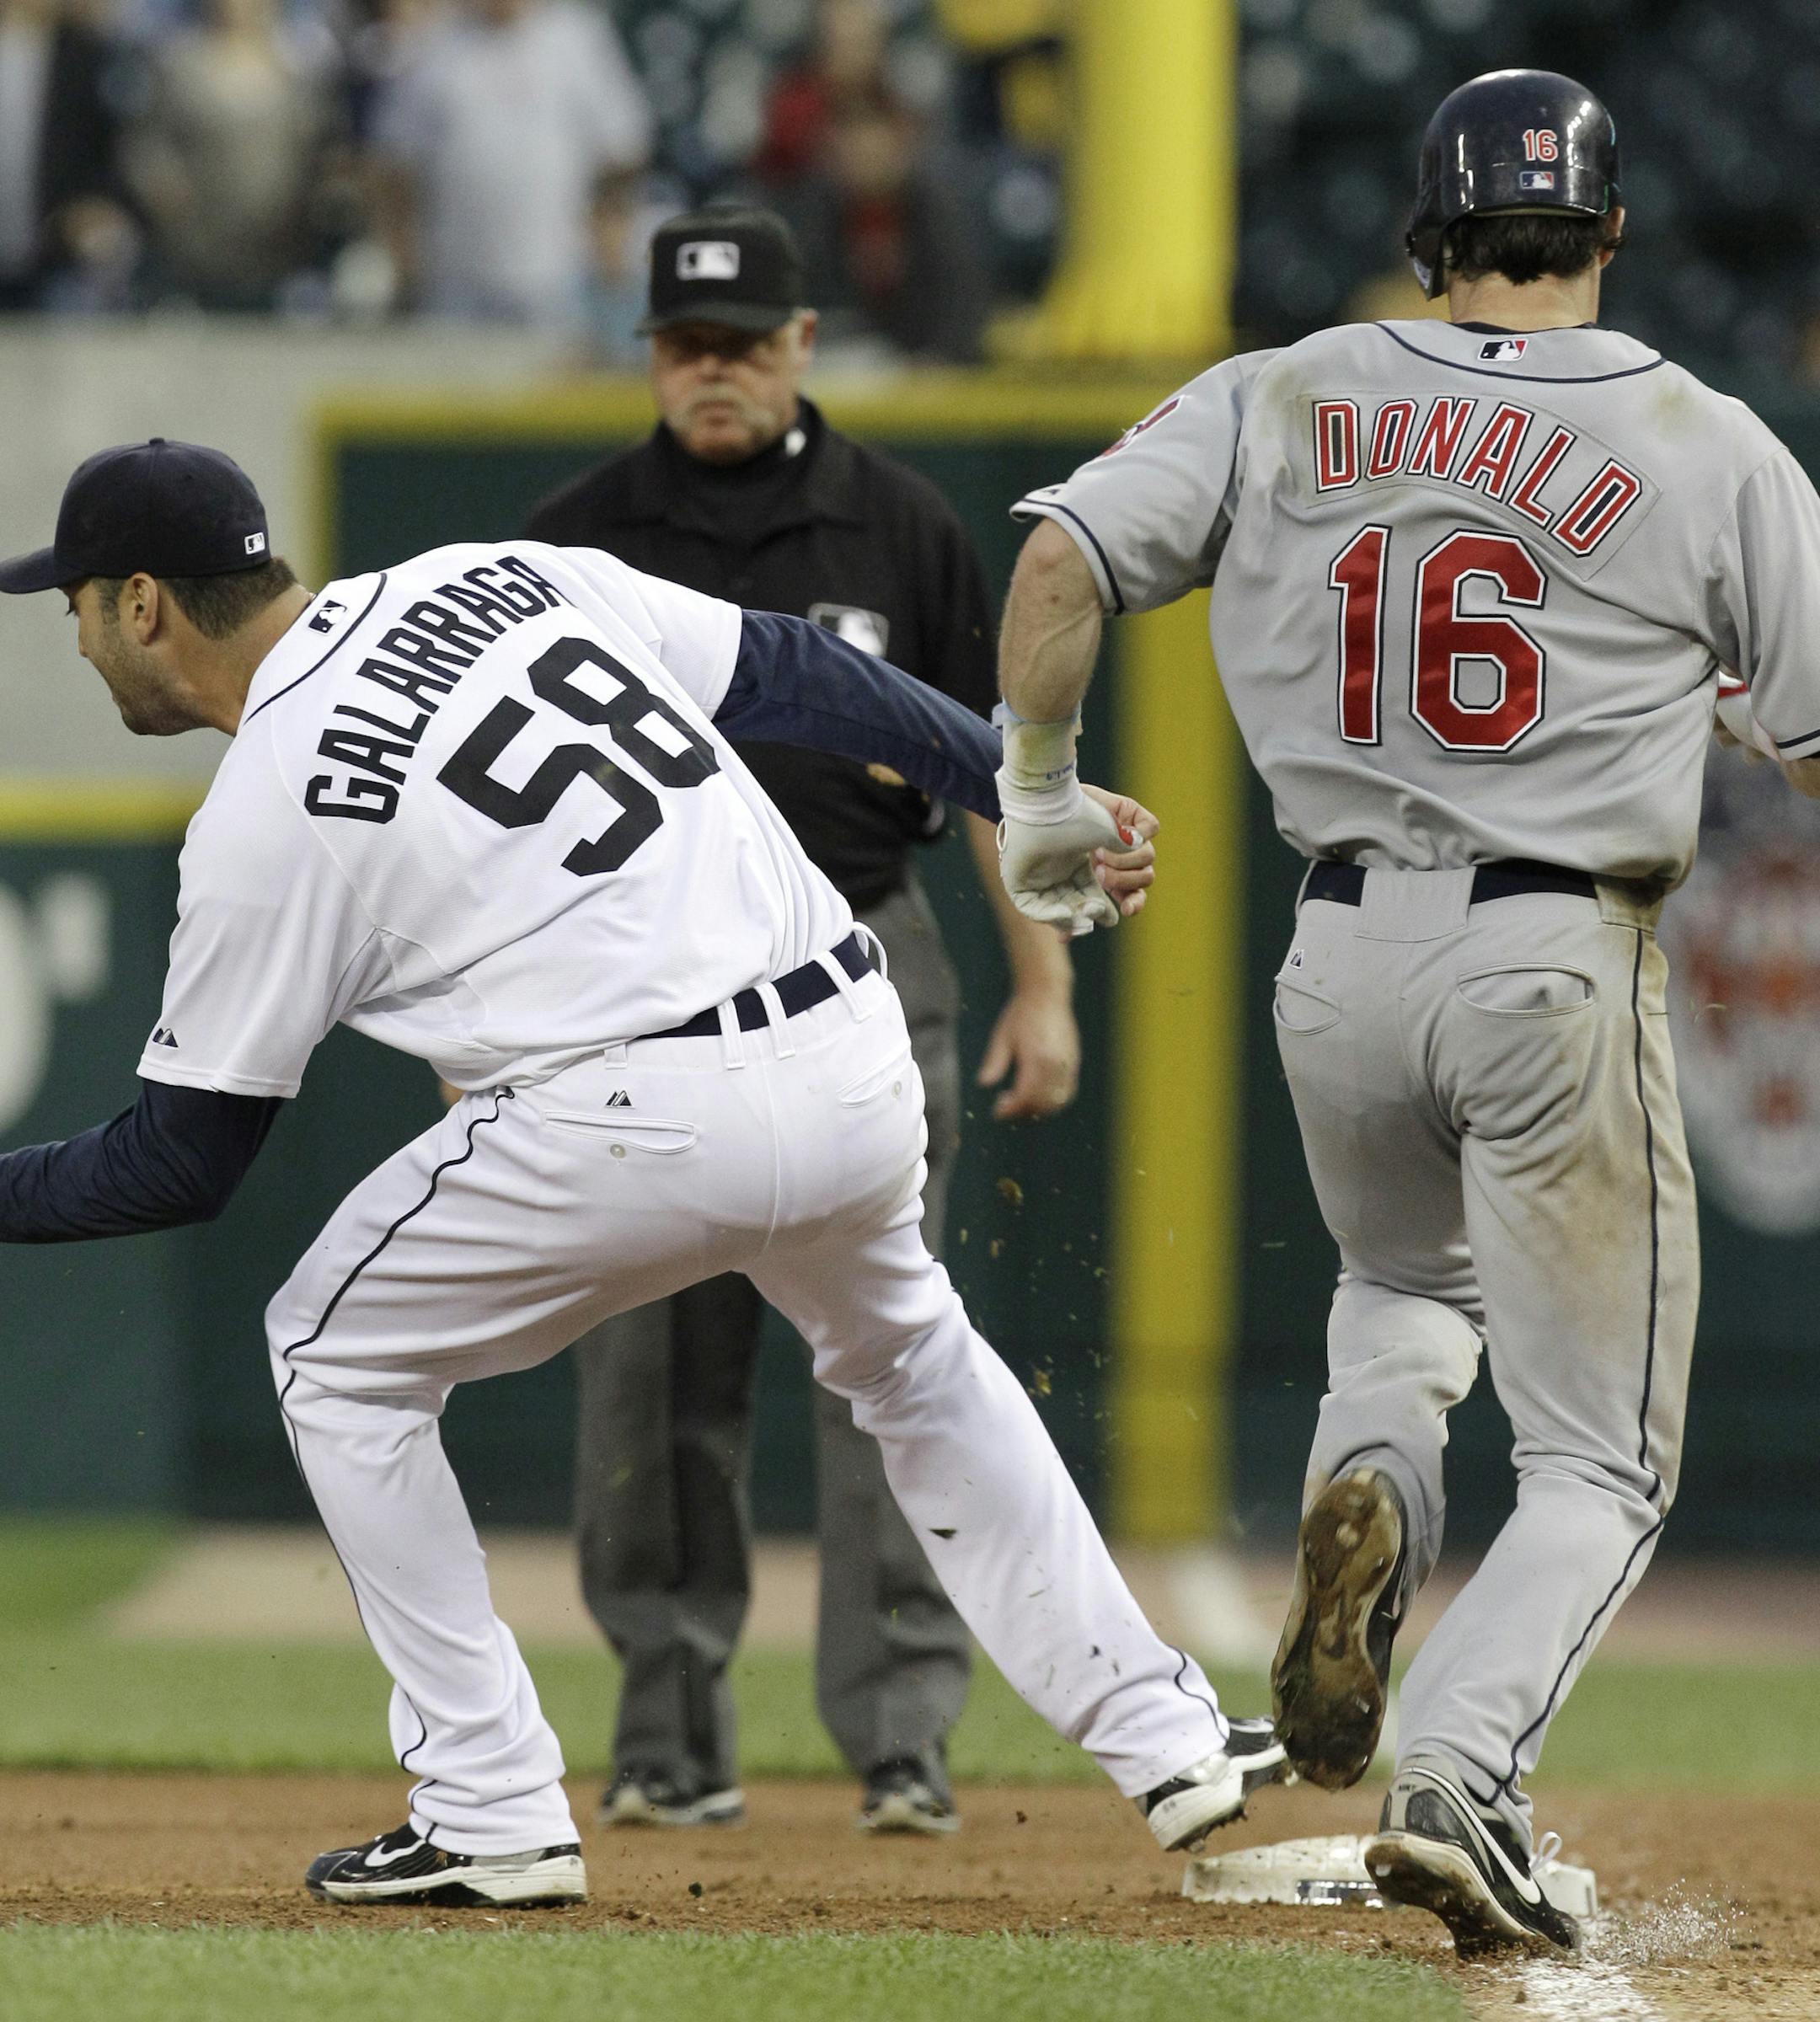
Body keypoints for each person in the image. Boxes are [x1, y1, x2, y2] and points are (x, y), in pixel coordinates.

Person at [0, 436, 1287, 1907]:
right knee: (915, 1358)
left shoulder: (262, 814)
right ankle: (1168, 1737)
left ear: (146, 604)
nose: (79, 631)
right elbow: (806, 675)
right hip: (851, 1047)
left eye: (81, 603)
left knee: (330, 1353)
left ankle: (489, 1803)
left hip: (641, 1113)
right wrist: (1023, 783)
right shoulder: (498, 576)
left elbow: (176, 1161)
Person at [992, 67, 1820, 1957]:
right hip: (1553, 949)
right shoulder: (1703, 438)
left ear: (1433, 233)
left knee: (1400, 1292)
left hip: (1337, 951)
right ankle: (1461, 1773)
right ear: (1609, 230)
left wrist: (1038, 801)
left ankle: (1368, 1481)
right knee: (1601, 1460)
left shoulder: (1285, 388)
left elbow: (1054, 561)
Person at [525, 204, 1078, 1837]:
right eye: (687, 345)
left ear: (804, 343)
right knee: (650, 1376)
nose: (714, 372)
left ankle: (901, 1737)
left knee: (890, 1362)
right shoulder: (576, 536)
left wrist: (1042, 983)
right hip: (637, 990)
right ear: (650, 354)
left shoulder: (900, 525)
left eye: (743, 344)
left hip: (865, 948)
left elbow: (997, 772)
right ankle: (666, 1735)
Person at [367, 0, 649, 329]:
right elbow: (393, 160)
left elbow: (621, 149)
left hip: (558, 279)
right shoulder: (435, 42)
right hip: (454, 281)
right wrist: (405, 263)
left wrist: (611, 244)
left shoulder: (576, 37)